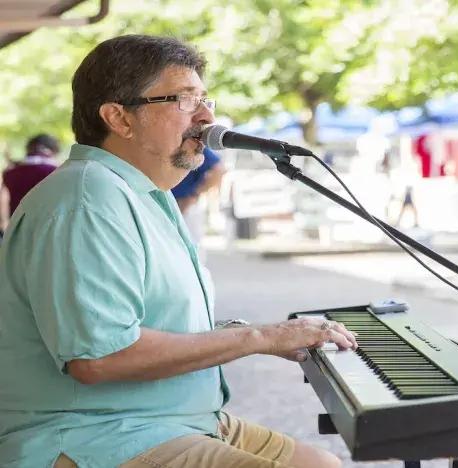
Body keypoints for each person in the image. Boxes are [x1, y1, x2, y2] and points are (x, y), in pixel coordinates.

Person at [0, 35, 356, 468]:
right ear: (119, 117)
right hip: (93, 434)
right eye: (185, 100)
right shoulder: (87, 198)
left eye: (206, 100)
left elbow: (154, 318)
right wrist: (257, 338)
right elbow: (99, 358)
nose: (207, 117)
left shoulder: (143, 192)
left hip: (167, 420)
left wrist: (258, 333)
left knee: (321, 463)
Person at [0, 134, 60, 229]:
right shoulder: (57, 171)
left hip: (17, 228)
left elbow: (3, 201)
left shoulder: (10, 172)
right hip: (48, 229)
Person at [171, 146, 227, 249]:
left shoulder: (191, 143)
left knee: (190, 247)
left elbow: (219, 170)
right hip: (166, 202)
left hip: (185, 204)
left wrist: (195, 194)